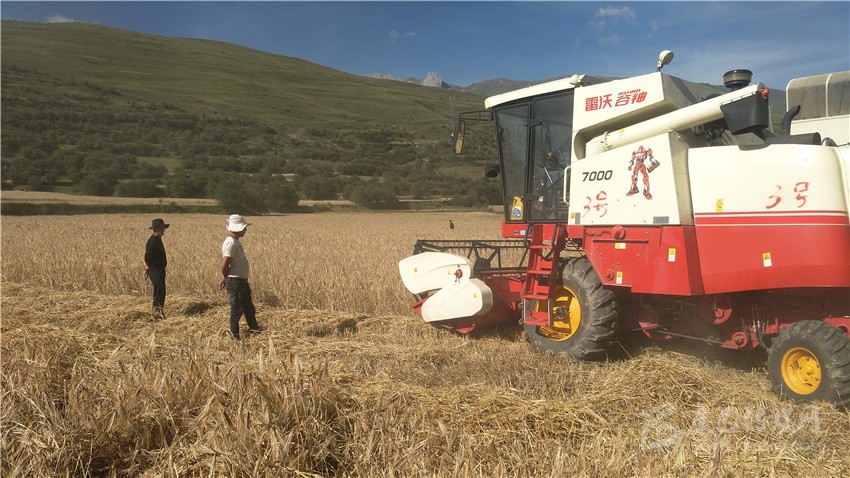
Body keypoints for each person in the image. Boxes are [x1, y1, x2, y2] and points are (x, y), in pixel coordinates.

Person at [219, 214, 261, 339]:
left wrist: (224, 277)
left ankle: (255, 330)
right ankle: (235, 337)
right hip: (236, 282)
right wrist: (225, 277)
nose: (246, 230)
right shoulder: (231, 243)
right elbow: (224, 265)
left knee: (249, 308)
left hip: (240, 281)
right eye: (244, 228)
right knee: (236, 310)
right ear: (238, 228)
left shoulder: (235, 242)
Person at [143, 218, 169, 320]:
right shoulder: (153, 241)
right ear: (157, 228)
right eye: (162, 227)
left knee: (161, 291)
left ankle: (159, 312)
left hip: (159, 270)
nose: (164, 229)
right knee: (158, 291)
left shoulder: (157, 239)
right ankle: (156, 314)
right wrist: (147, 268)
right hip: (155, 270)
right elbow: (147, 257)